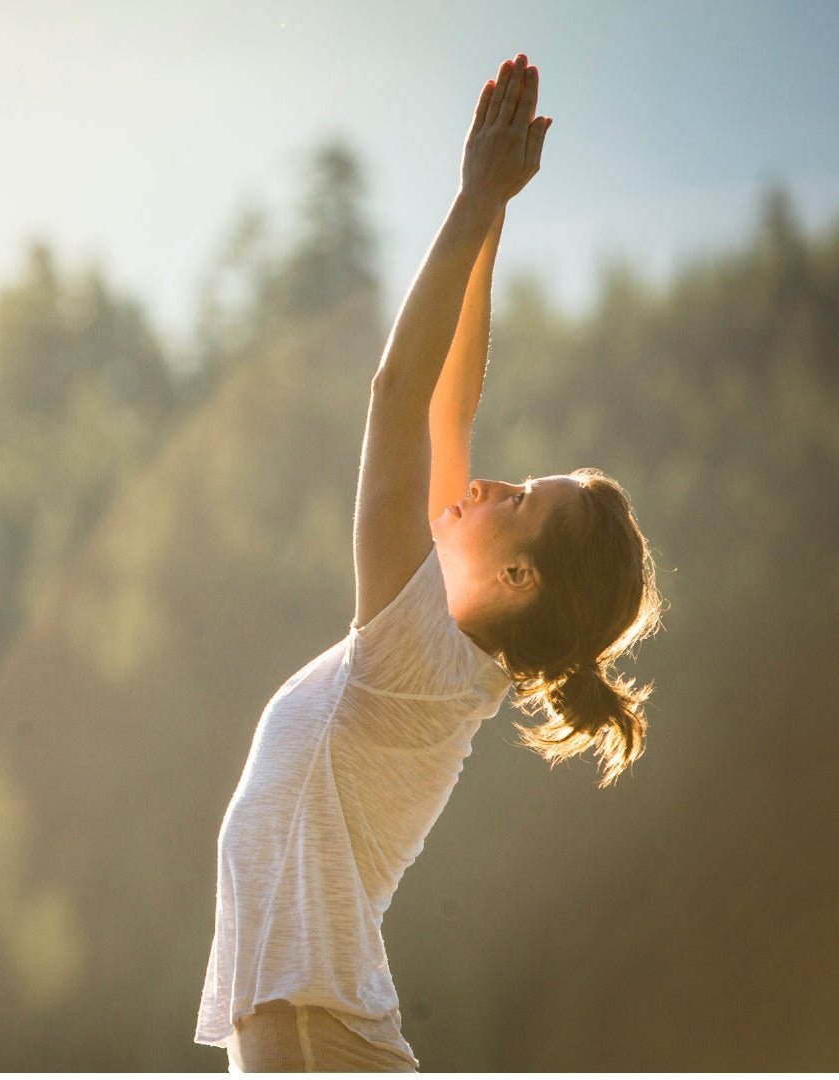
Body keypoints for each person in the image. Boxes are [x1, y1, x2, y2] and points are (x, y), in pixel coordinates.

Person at [195, 52, 663, 1072]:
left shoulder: (419, 651)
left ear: (519, 578)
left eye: (520, 502)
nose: (493, 482)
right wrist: (491, 220)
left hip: (315, 1038)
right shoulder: (443, 648)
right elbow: (450, 406)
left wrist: (468, 202)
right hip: (311, 1031)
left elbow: (400, 393)